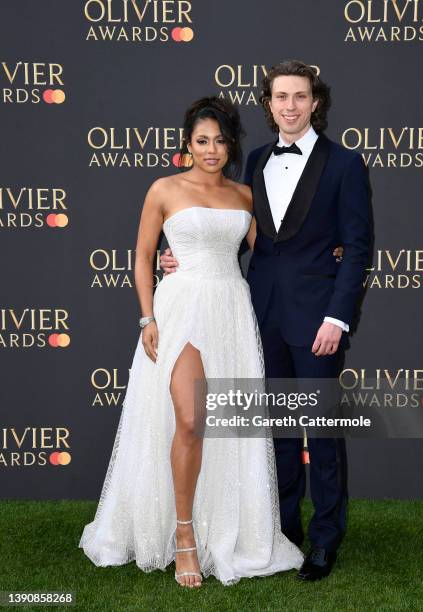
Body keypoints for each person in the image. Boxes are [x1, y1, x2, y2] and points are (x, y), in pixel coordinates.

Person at [79, 96, 304, 588]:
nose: (212, 149)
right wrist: (146, 317)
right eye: (203, 140)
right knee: (189, 418)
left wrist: (322, 252)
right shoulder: (163, 189)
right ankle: (184, 536)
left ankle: (221, 530)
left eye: (221, 141)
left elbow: (271, 258)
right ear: (187, 143)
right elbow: (141, 255)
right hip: (179, 307)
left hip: (230, 309)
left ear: (231, 145)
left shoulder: (246, 196)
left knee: (221, 427)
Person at [161, 60, 372, 581]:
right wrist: (177, 260)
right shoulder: (254, 160)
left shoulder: (345, 164)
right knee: (274, 433)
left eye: (300, 97)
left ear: (315, 102)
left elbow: (359, 247)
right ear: (269, 103)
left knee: (321, 433)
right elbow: (232, 235)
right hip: (256, 318)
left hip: (318, 320)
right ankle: (281, 530)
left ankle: (325, 538)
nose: (291, 106)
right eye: (281, 97)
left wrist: (338, 319)